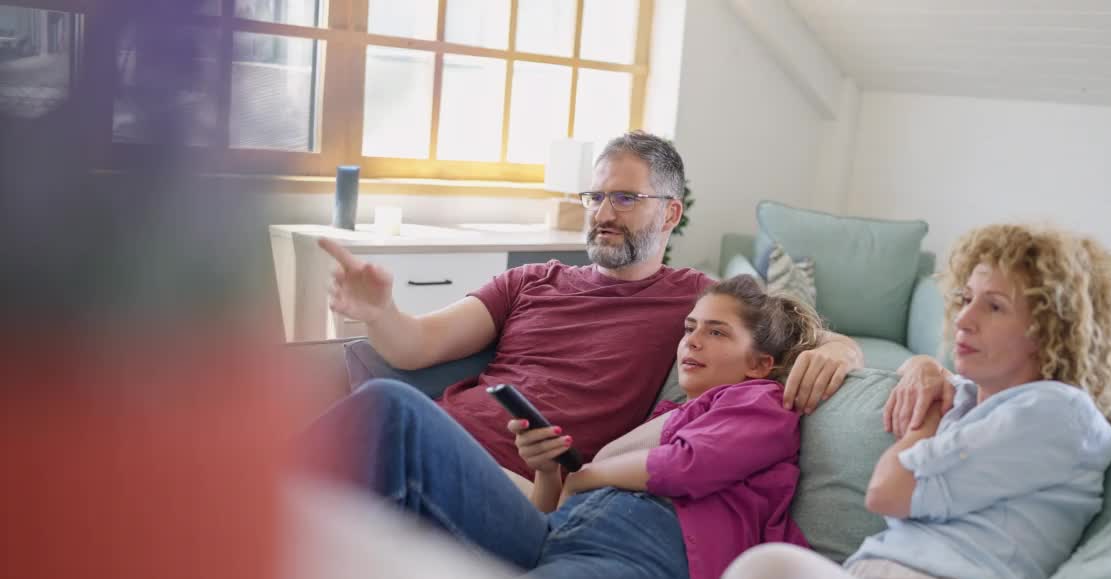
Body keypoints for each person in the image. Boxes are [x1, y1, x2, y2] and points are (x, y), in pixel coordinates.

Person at [711, 223, 1111, 579]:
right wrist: (923, 367)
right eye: (965, 298)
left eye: (994, 306)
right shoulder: (971, 398)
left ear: (1053, 327)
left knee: (770, 573)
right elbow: (922, 376)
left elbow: (889, 491)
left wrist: (928, 416)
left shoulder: (1058, 410)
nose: (963, 319)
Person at [316, 131, 863, 491]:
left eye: (625, 198)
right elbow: (416, 345)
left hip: (517, 483)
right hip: (435, 436)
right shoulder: (529, 282)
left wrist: (840, 348)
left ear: (670, 214)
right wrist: (380, 311)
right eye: (596, 197)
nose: (603, 212)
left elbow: (782, 330)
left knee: (381, 407)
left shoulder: (695, 301)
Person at [301, 276, 822, 579]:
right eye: (690, 328)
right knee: (394, 405)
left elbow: (688, 466)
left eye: (716, 332)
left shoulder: (761, 403)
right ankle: (241, 518)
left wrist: (585, 473)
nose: (692, 341)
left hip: (657, 567)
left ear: (760, 364)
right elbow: (557, 507)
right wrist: (550, 473)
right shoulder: (670, 411)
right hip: (563, 537)